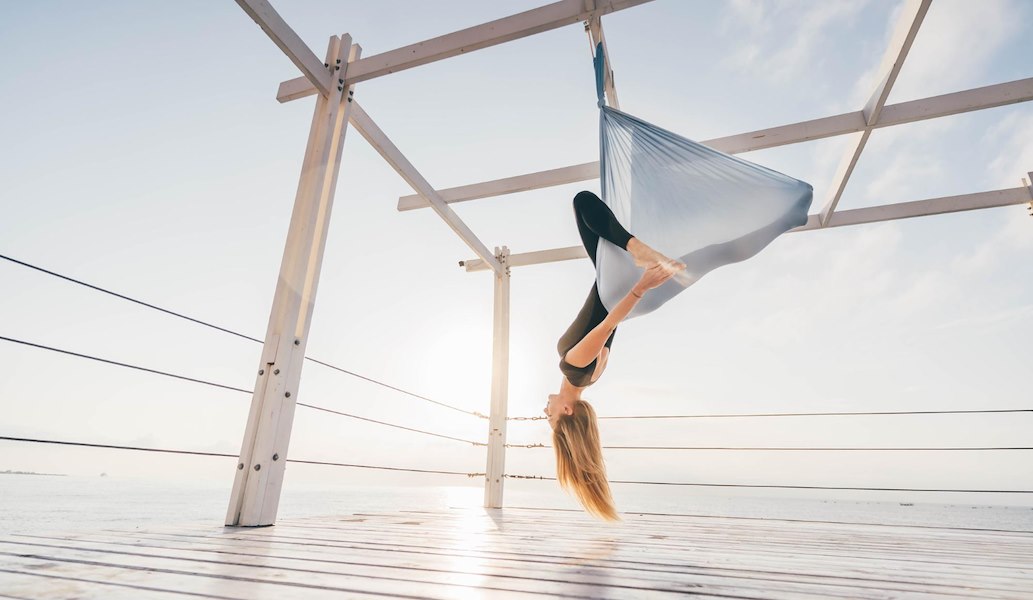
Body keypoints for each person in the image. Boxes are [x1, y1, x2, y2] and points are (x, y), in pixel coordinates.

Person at [546, 190, 685, 521]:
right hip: (618, 288)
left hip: (611, 284)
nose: (546, 410)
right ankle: (640, 251)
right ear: (566, 410)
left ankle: (635, 249)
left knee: (592, 215)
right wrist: (641, 286)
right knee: (582, 201)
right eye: (549, 416)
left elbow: (608, 329)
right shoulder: (574, 368)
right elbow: (608, 324)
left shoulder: (592, 376)